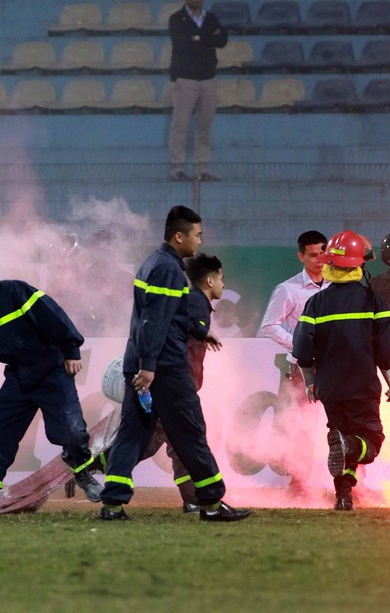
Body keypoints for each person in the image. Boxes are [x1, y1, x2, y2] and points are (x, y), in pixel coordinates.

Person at [98, 205, 250, 522]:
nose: (199, 241)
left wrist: (199, 331)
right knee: (191, 432)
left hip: (142, 363)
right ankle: (210, 503)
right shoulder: (168, 269)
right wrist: (150, 366)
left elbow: (169, 314)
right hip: (164, 368)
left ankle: (112, 504)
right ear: (179, 236)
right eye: (197, 235)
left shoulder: (153, 264)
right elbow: (154, 320)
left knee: (132, 435)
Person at [0, 269, 103, 520]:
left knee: (72, 431)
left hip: (53, 371)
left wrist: (71, 349)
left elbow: (51, 315)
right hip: (18, 380)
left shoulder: (13, 291)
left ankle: (82, 473)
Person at [292, 231, 390, 512]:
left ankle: (343, 498)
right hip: (362, 387)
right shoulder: (374, 302)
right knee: (370, 442)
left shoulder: (315, 303)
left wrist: (309, 383)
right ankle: (350, 446)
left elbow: (303, 351)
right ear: (359, 265)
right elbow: (386, 351)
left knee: (340, 443)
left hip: (330, 389)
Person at [140, 253, 225, 514]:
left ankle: (191, 499)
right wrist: (203, 331)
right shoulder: (196, 302)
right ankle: (91, 465)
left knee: (175, 443)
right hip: (176, 386)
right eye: (222, 278)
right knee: (167, 440)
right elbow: (187, 325)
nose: (224, 284)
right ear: (210, 280)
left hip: (175, 384)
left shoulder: (193, 301)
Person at [258, 230, 329, 496]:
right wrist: (299, 345)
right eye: (313, 255)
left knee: (340, 421)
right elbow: (269, 325)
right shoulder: (288, 289)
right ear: (301, 256)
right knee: (302, 425)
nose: (319, 259)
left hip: (333, 366)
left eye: (323, 252)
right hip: (302, 368)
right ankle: (299, 482)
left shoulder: (337, 287)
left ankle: (346, 480)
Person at [168, 0, 227, 183]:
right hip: (185, 78)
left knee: (205, 126)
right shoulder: (177, 19)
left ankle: (202, 170)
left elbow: (222, 40)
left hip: (209, 78)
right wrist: (207, 37)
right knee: (180, 125)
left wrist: (198, 38)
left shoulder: (211, 17)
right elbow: (182, 44)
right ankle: (176, 170)